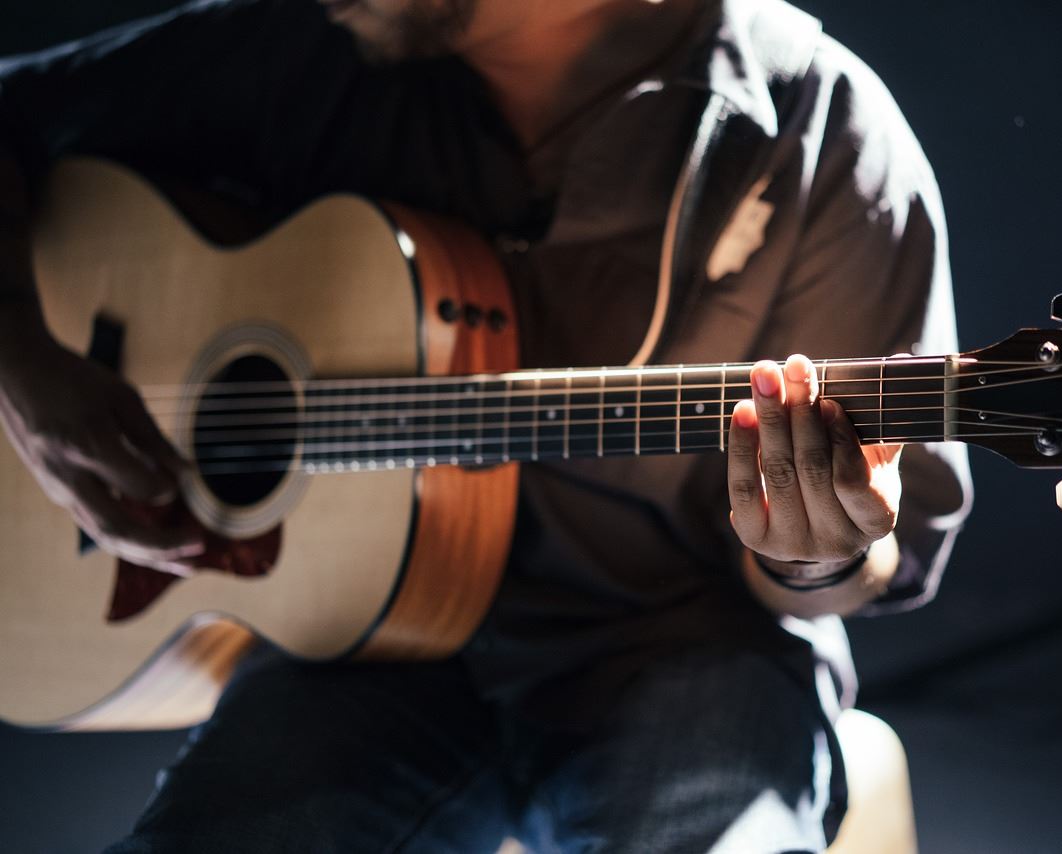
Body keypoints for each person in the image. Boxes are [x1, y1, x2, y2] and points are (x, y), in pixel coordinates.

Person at [0, 0, 971, 850]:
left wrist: (813, 549)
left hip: (686, 644)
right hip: (362, 653)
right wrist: (25, 364)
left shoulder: (819, 127)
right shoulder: (304, 43)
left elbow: (864, 562)